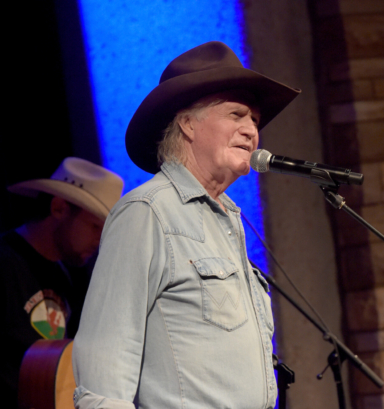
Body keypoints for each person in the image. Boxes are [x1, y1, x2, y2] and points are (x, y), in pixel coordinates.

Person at [72, 41, 300, 409]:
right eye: (237, 114)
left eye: (254, 121)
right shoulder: (147, 213)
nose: (251, 131)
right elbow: (103, 375)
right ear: (188, 124)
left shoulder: (227, 218)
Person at [0, 157, 124, 408]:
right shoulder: (6, 262)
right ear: (58, 208)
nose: (99, 243)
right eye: (94, 227)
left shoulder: (68, 276)